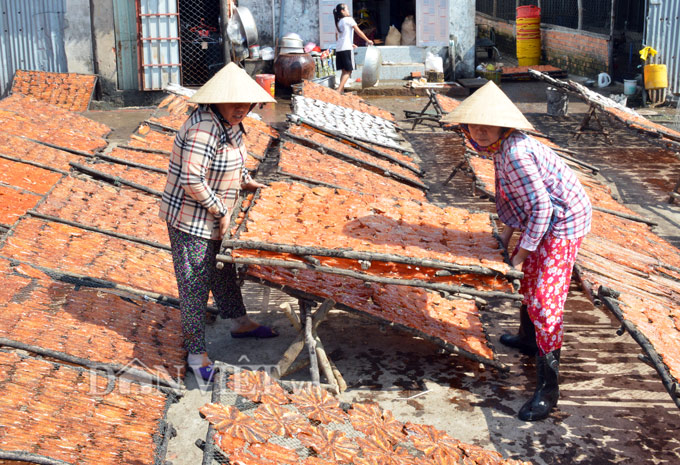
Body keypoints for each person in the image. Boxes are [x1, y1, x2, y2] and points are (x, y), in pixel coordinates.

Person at [441, 81, 592, 421]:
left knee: (545, 300)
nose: (477, 131)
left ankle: (548, 391)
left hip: (564, 222)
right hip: (545, 217)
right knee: (530, 282)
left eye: (485, 124)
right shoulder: (500, 147)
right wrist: (505, 238)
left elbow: (541, 210)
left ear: (503, 125)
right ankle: (527, 338)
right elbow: (508, 198)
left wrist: (519, 256)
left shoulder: (516, 152)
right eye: (472, 124)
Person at [159, 63, 279, 382]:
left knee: (223, 271)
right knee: (195, 283)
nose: (242, 108)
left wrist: (246, 180)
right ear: (216, 101)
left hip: (214, 215)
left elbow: (234, 159)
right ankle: (196, 355)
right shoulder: (203, 128)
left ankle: (239, 322)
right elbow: (191, 180)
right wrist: (221, 210)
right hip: (191, 218)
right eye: (234, 102)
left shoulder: (231, 124)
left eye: (247, 103)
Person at [333, 3, 374, 93]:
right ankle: (339, 90)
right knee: (349, 71)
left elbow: (338, 37)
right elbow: (358, 31)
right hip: (346, 48)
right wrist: (368, 40)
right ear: (342, 11)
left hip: (340, 48)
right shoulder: (349, 20)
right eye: (347, 9)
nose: (348, 11)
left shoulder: (339, 22)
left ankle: (341, 91)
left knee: (344, 71)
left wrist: (349, 43)